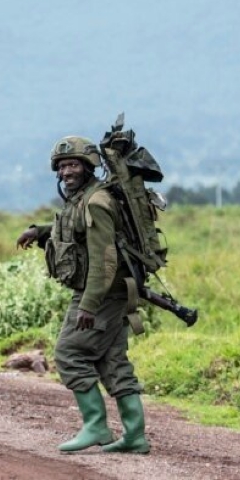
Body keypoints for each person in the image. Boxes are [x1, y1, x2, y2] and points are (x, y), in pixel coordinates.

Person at [16, 136, 150, 454]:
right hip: (113, 294)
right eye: (62, 167)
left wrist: (88, 306)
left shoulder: (96, 202)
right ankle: (134, 436)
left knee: (68, 354)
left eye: (73, 164)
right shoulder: (84, 199)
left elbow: (105, 258)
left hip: (100, 294)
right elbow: (75, 229)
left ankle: (96, 426)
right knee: (111, 360)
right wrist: (41, 231)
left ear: (89, 167)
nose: (66, 172)